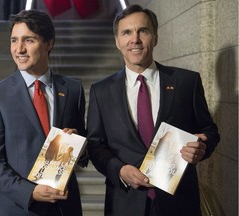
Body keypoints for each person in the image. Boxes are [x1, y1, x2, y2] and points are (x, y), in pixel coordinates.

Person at [86, 4, 220, 216]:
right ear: (117, 41)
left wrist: (201, 147)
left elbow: (209, 130)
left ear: (155, 37)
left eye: (143, 31)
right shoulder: (100, 91)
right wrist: (119, 170)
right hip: (125, 202)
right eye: (127, 32)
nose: (135, 39)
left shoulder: (187, 82)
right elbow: (95, 145)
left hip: (179, 202)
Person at [0, 9, 87, 216]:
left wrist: (81, 148)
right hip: (17, 208)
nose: (19, 49)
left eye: (28, 40)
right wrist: (30, 192)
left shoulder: (73, 89)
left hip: (64, 208)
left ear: (49, 43)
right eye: (14, 40)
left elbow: (82, 145)